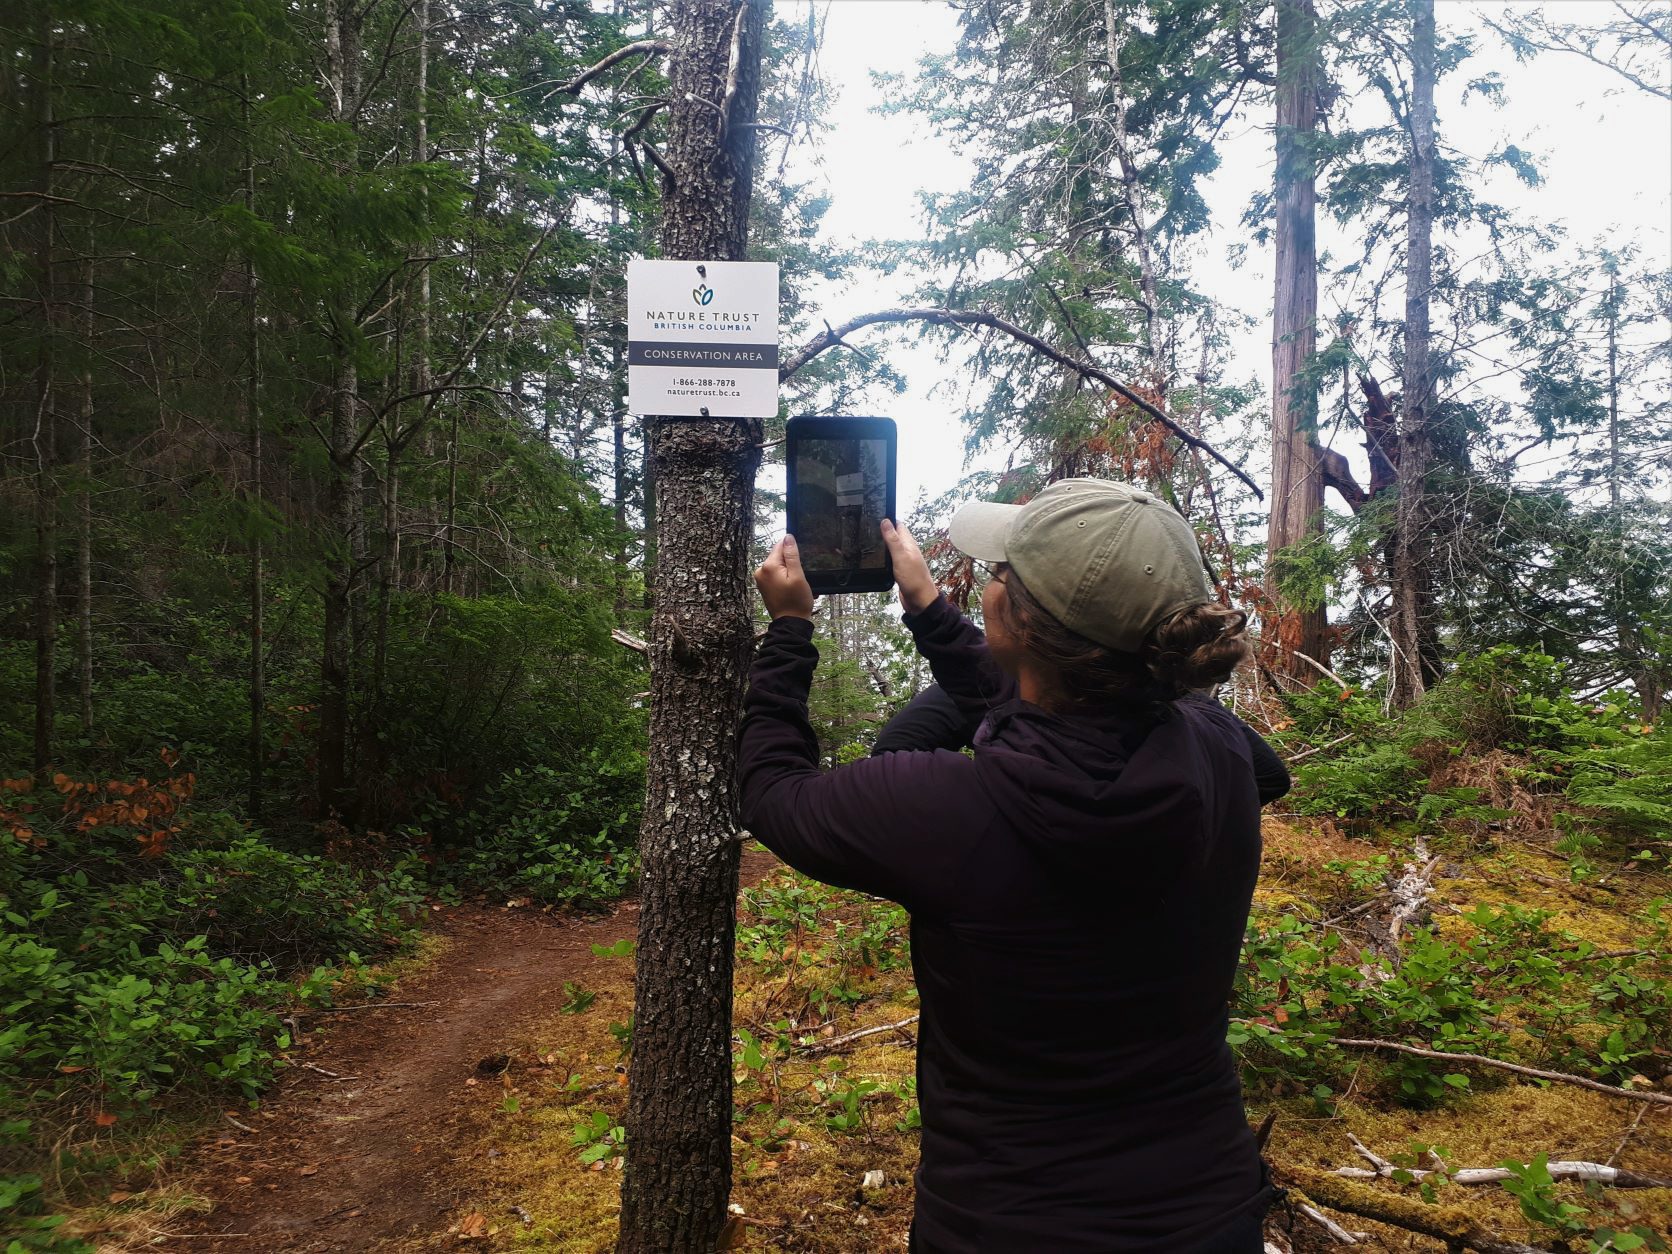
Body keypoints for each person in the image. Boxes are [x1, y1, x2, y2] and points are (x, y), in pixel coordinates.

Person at [737, 479, 1289, 1253]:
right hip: (1209, 1209)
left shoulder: (943, 812)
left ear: (1014, 619)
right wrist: (931, 614)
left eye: (998, 573)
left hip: (1005, 1222)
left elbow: (771, 792)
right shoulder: (1224, 753)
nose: (987, 583)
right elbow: (1076, 704)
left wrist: (790, 632)